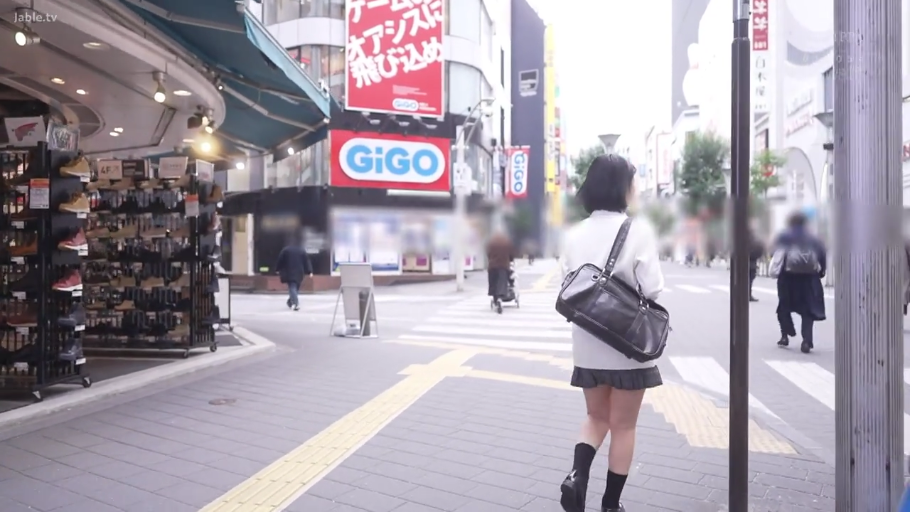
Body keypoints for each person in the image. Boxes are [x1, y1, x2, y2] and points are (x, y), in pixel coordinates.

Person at [557, 154, 664, 512]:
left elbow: (566, 284)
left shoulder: (573, 234)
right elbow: (652, 288)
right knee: (623, 426)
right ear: (623, 187)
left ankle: (576, 477)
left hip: (588, 341)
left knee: (596, 417)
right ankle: (610, 505)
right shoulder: (639, 231)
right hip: (627, 344)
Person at [774, 212, 826, 353]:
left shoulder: (785, 237)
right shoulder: (813, 238)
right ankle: (807, 341)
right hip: (809, 278)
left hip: (788, 278)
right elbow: (822, 255)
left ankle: (785, 334)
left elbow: (777, 254)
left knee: (784, 306)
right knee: (807, 310)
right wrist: (821, 271)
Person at [275, 232, 313, 311]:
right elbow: (306, 261)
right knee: (295, 288)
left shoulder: (286, 250)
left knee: (293, 288)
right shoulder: (301, 250)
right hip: (299, 273)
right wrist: (309, 271)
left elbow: (280, 260)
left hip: (289, 272)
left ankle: (290, 302)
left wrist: (277, 269)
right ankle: (295, 303)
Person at [486, 230, 513, 309]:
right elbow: (511, 254)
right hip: (503, 266)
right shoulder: (507, 242)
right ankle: (500, 298)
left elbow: (488, 254)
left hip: (492, 266)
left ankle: (495, 299)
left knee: (493, 283)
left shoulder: (491, 243)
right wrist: (510, 260)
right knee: (502, 283)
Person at [749, 228, 765, 302]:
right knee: (750, 280)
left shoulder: (742, 240)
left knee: (747, 280)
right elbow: (759, 250)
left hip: (748, 263)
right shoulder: (755, 241)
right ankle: (748, 294)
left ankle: (746, 294)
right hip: (752, 263)